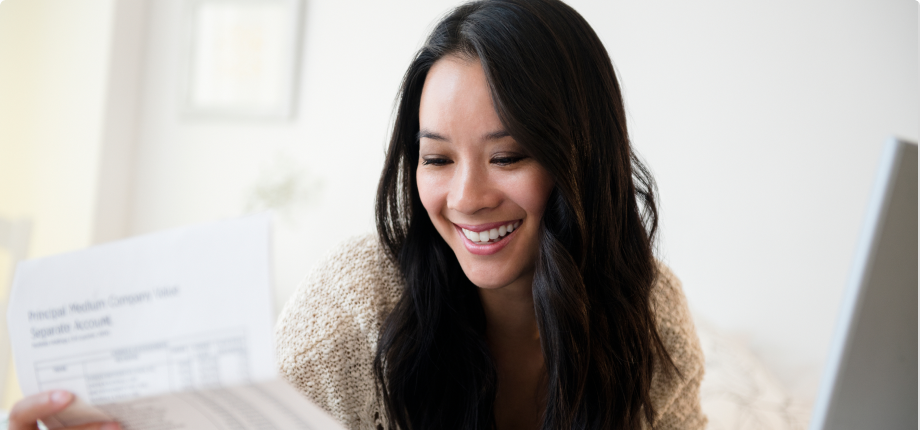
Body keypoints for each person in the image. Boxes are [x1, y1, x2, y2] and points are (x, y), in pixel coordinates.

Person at [275, 1, 705, 429]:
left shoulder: (653, 316)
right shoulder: (352, 305)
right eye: (438, 159)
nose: (466, 198)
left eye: (506, 156)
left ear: (585, 160)